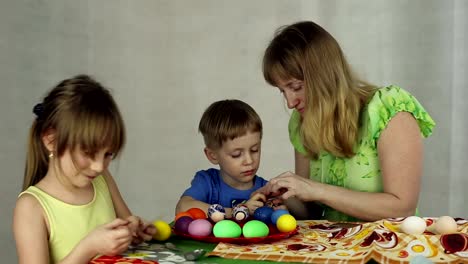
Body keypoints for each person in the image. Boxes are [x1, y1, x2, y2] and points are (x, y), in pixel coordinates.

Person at [258, 21, 436, 222]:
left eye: (296, 87)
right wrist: (286, 195)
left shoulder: (390, 109)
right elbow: (312, 213)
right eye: (283, 91)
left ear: (324, 76)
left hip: (387, 248)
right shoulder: (302, 121)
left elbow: (402, 208)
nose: (290, 102)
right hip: (331, 250)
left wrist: (319, 190)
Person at [13, 75, 156, 264]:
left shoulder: (102, 179)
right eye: (89, 153)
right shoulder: (31, 208)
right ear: (51, 140)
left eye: (108, 155)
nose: (99, 166)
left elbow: (126, 224)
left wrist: (134, 231)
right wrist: (89, 247)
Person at [175, 99, 270, 218]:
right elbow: (182, 207)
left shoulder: (265, 189)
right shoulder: (207, 182)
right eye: (236, 154)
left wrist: (284, 202)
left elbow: (297, 211)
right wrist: (237, 211)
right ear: (212, 156)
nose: (249, 161)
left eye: (254, 150)